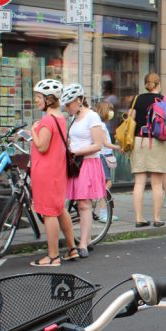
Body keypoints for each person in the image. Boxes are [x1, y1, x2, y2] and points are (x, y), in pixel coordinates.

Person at [28, 79, 78, 266]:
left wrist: (33, 130)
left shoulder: (47, 120)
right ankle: (72, 248)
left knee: (49, 213)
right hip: (58, 170)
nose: (36, 100)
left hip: (46, 172)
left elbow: (41, 146)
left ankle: (53, 256)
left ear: (49, 99)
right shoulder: (60, 118)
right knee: (59, 209)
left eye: (39, 97)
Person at [61, 83, 106, 257]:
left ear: (79, 100)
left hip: (87, 163)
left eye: (69, 103)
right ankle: (80, 240)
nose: (67, 107)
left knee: (84, 204)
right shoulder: (74, 118)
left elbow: (97, 145)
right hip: (75, 164)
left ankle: (84, 244)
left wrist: (75, 152)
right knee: (76, 204)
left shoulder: (92, 117)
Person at [129, 73, 166, 227]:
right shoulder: (165, 100)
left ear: (145, 84)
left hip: (139, 140)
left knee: (139, 182)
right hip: (157, 142)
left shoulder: (137, 99)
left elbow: (130, 119)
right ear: (159, 84)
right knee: (157, 183)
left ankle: (139, 218)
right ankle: (157, 219)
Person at [94, 101, 121, 223]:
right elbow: (105, 143)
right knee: (107, 184)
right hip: (104, 156)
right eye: (110, 110)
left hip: (102, 156)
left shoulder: (98, 124)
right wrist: (118, 148)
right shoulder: (102, 125)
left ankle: (99, 211)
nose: (111, 113)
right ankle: (103, 213)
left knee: (102, 185)